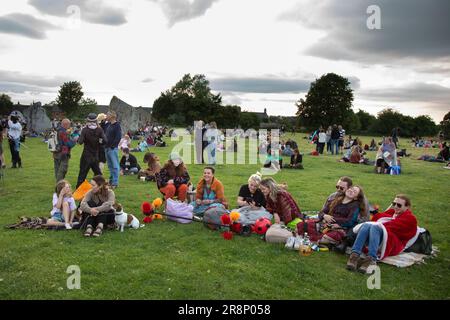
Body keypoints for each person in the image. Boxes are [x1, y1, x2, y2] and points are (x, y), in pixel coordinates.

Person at [347, 194, 418, 274]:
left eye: (399, 205)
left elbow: (394, 227)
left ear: (407, 207)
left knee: (375, 227)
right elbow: (377, 219)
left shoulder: (410, 218)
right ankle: (354, 255)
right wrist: (378, 223)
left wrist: (379, 224)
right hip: (378, 237)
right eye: (394, 203)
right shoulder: (392, 212)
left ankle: (371, 259)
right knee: (367, 225)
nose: (395, 206)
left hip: (393, 243)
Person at [76, 113, 106, 189]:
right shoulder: (99, 129)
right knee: (98, 174)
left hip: (86, 155)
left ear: (88, 120)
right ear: (96, 120)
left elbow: (80, 142)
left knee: (82, 174)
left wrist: (78, 138)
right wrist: (99, 142)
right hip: (95, 156)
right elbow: (105, 140)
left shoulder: (85, 130)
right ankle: (102, 189)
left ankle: (78, 192)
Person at [104, 111, 122, 188]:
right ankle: (111, 181)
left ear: (112, 116)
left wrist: (112, 146)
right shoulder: (108, 125)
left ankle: (115, 183)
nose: (106, 116)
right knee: (110, 166)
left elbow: (118, 137)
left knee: (115, 166)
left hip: (112, 149)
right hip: (107, 148)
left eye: (107, 115)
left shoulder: (117, 125)